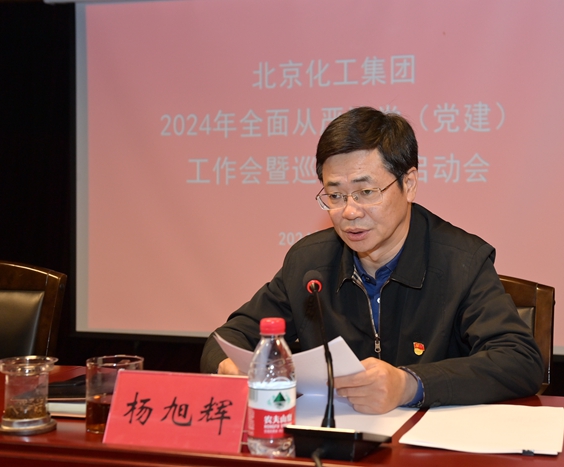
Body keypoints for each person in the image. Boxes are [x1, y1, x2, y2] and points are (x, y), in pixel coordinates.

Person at [201, 106, 544, 414]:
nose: (349, 212)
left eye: (366, 192)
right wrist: (230, 368)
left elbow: (520, 360)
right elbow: (228, 338)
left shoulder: (462, 261)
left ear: (409, 184)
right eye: (335, 195)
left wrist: (409, 385)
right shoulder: (309, 263)